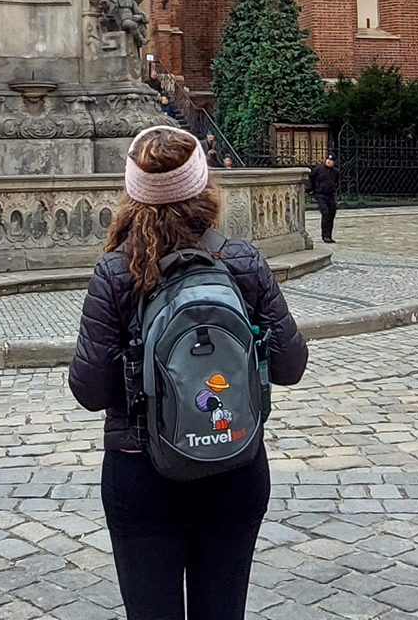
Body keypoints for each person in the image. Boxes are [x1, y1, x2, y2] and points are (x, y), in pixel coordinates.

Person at [69, 126, 308, 620]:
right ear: (204, 187)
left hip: (143, 472)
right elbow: (290, 365)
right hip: (234, 462)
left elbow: (90, 390)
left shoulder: (117, 271)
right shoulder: (240, 260)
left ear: (133, 192)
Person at [306, 155, 341, 244]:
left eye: (331, 160)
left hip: (330, 195)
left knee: (331, 213)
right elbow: (311, 178)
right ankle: (325, 235)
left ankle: (329, 235)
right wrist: (311, 189)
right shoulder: (319, 169)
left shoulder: (335, 172)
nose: (329, 162)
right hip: (320, 194)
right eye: (328, 160)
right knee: (325, 213)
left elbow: (336, 182)